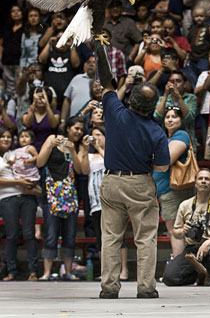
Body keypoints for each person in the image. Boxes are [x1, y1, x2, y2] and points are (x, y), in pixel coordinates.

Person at [93, 39, 170, 299]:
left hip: (112, 181)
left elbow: (106, 81)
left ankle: (109, 288)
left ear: (131, 99)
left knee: (111, 237)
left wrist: (100, 48)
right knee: (145, 237)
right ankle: (146, 288)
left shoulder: (115, 111)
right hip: (140, 183)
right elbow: (162, 165)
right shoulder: (157, 131)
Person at [163, 168, 210, 287]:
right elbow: (176, 232)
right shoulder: (185, 205)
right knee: (169, 278)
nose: (203, 181)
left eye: (207, 179)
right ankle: (198, 273)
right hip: (192, 249)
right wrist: (183, 231)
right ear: (195, 183)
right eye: (200, 179)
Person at [79, 125, 129, 281]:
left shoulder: (113, 152)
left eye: (99, 135)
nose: (96, 138)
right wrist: (86, 148)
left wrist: (99, 147)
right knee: (101, 238)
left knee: (118, 235)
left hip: (113, 198)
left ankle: (124, 270)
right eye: (93, 135)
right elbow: (84, 170)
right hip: (95, 200)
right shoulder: (89, 155)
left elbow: (111, 164)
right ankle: (106, 271)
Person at [37, 116, 84, 281]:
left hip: (70, 198)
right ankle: (47, 272)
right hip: (52, 197)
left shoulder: (76, 146)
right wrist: (49, 146)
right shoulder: (53, 139)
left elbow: (79, 170)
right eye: (76, 128)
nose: (78, 132)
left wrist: (72, 151)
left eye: (81, 129)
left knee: (69, 236)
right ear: (68, 128)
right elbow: (40, 162)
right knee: (51, 235)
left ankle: (69, 271)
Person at [0, 127, 42, 281]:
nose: (6, 139)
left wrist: (28, 184)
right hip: (7, 198)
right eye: (3, 137)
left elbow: (35, 162)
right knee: (11, 235)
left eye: (8, 137)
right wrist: (18, 182)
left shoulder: (17, 153)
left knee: (29, 233)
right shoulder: (4, 157)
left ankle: (33, 271)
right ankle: (11, 271)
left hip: (27, 196)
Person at [153, 107, 194, 257]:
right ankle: (181, 265)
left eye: (174, 117)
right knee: (176, 230)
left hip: (174, 192)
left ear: (181, 121)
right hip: (165, 190)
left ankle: (179, 267)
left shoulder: (181, 135)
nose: (170, 119)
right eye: (167, 117)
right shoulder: (168, 138)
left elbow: (167, 159)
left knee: (176, 230)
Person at [154, 70, 197, 153]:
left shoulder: (191, 98)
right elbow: (157, 117)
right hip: (167, 142)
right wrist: (166, 95)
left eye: (178, 81)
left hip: (187, 143)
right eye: (172, 81)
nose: (175, 84)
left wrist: (178, 97)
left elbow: (189, 118)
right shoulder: (162, 99)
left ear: (185, 84)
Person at [60, 55, 97, 123]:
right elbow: (67, 100)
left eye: (94, 62)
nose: (91, 65)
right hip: (73, 122)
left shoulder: (102, 82)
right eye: (89, 62)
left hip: (91, 123)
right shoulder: (77, 78)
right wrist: (62, 120)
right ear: (85, 65)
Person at [22, 86, 60, 152]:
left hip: (49, 149)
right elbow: (27, 124)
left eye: (43, 98)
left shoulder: (55, 113)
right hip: (31, 150)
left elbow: (53, 124)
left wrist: (47, 104)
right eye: (38, 98)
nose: (40, 100)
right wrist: (34, 103)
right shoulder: (27, 114)